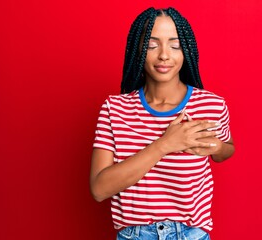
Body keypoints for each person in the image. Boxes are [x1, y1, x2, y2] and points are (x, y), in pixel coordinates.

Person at [90, 7, 235, 240]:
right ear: (138, 49)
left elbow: (226, 149)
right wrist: (164, 144)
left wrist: (217, 148)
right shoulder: (114, 108)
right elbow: (99, 189)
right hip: (135, 235)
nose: (164, 55)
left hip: (192, 235)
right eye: (152, 45)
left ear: (186, 50)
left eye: (175, 45)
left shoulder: (210, 104)